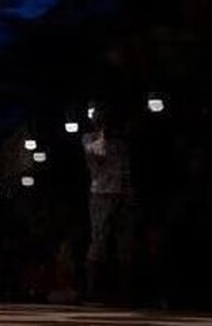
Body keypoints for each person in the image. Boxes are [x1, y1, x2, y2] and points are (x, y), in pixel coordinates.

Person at [81, 107, 133, 303]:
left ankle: (123, 291)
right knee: (99, 239)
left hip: (121, 194)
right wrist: (103, 132)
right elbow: (98, 155)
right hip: (101, 193)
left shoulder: (121, 144)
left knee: (124, 241)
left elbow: (125, 170)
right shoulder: (89, 138)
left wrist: (128, 193)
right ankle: (93, 291)